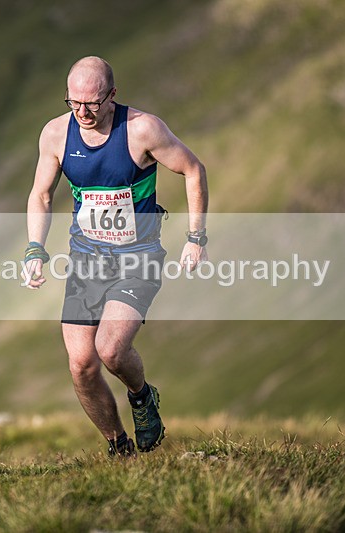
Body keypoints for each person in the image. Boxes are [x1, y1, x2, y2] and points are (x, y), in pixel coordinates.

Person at [23, 56, 208, 455]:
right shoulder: (56, 134)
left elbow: (193, 169)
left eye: (92, 103)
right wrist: (35, 248)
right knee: (81, 365)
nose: (83, 112)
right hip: (86, 260)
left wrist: (196, 237)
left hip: (137, 258)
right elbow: (40, 194)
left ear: (112, 95)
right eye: (74, 102)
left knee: (110, 350)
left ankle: (142, 396)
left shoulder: (141, 129)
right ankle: (118, 446)